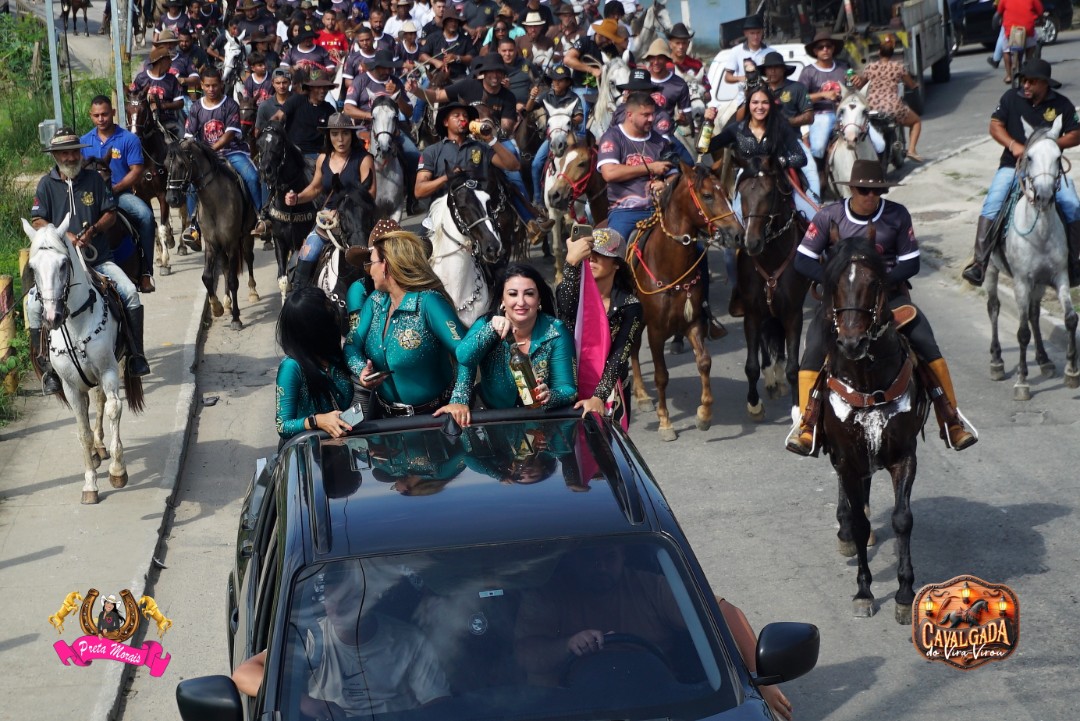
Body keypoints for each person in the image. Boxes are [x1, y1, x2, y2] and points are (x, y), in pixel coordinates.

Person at [787, 160, 977, 455]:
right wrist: (837, 282)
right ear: (852, 189)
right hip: (842, 302)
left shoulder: (897, 215)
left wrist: (876, 284)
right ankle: (807, 425)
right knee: (813, 348)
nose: (870, 196)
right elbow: (802, 259)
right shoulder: (828, 216)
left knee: (925, 342)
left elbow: (911, 262)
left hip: (888, 295)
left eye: (877, 191)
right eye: (864, 190)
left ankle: (951, 419)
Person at [513, 544, 794, 721]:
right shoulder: (547, 598)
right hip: (568, 709)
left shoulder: (650, 588)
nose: (601, 567)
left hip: (658, 705)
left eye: (609, 557)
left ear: (623, 555)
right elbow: (526, 656)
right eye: (590, 560)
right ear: (572, 561)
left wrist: (763, 682)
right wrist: (567, 645)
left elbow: (723, 612)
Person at [232, 561, 451, 716]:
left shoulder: (408, 641)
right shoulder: (311, 638)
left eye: (348, 601)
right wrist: (305, 703)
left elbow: (439, 704)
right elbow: (245, 673)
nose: (337, 610)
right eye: (331, 600)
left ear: (369, 601)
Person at [29, 129, 151, 394]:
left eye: (74, 151)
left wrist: (92, 231)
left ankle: (135, 356)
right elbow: (37, 219)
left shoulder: (95, 180)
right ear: (55, 156)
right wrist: (62, 235)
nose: (70, 157)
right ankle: (47, 368)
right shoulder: (46, 184)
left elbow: (110, 213)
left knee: (130, 293)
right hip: (60, 268)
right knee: (32, 305)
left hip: (98, 259)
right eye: (64, 153)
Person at [962, 59, 1080, 287]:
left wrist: (1050, 145)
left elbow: (1076, 133)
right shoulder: (1010, 99)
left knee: (1073, 204)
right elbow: (995, 126)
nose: (1025, 85)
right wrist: (1013, 144)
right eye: (1024, 80)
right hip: (1013, 166)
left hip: (1048, 170)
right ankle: (979, 263)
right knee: (993, 203)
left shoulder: (1062, 105)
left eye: (1032, 82)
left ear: (1045, 84)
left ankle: (1074, 263)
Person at [343, 230, 473, 425]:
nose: (368, 271)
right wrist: (362, 370)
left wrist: (459, 400)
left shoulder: (429, 302)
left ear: (386, 265)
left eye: (371, 263)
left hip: (434, 420)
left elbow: (466, 352)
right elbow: (351, 346)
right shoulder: (374, 301)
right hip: (383, 420)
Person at [456, 264, 577, 410]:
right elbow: (464, 357)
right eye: (513, 294)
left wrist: (551, 396)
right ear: (502, 299)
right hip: (491, 415)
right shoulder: (486, 324)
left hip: (540, 417)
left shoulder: (556, 330)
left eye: (529, 294)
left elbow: (569, 390)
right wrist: (491, 330)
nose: (521, 302)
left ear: (539, 299)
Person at [557, 228, 643, 422]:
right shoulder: (570, 291)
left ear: (617, 264)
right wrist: (571, 263)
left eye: (601, 254)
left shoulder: (629, 305)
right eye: (589, 252)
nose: (592, 258)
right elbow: (565, 309)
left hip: (609, 390)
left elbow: (620, 355)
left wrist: (598, 397)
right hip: (567, 386)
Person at [284, 112, 376, 288]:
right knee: (307, 255)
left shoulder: (364, 159)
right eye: (335, 134)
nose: (340, 139)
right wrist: (297, 198)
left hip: (358, 217)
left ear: (352, 135)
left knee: (386, 254)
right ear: (328, 136)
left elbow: (370, 194)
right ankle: (299, 294)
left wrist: (343, 210)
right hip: (328, 219)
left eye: (345, 133)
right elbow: (315, 187)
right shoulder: (322, 159)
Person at [81, 95, 158, 294]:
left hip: (119, 195)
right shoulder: (84, 142)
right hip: (90, 198)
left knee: (146, 216)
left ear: (113, 113)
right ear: (91, 116)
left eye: (105, 114)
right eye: (96, 115)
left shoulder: (128, 139)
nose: (101, 119)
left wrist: (115, 189)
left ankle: (146, 272)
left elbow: (136, 170)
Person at [183, 66, 266, 241]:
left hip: (232, 151)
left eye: (214, 85)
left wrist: (211, 150)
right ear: (201, 85)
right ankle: (193, 225)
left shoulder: (230, 105)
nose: (211, 89)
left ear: (221, 84)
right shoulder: (196, 108)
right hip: (205, 157)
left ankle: (261, 217)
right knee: (191, 183)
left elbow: (230, 133)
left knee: (252, 177)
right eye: (207, 86)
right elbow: (189, 135)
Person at [710, 85, 809, 221]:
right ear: (748, 105)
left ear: (771, 105)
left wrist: (780, 162)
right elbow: (703, 148)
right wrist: (708, 123)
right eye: (755, 102)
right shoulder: (736, 129)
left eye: (765, 102)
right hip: (746, 179)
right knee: (737, 219)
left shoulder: (781, 127)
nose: (760, 107)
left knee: (810, 215)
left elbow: (801, 157)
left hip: (777, 178)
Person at [275, 287, 355, 441]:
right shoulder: (291, 367)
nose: (334, 315)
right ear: (314, 326)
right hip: (312, 451)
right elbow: (282, 426)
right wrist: (317, 420)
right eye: (327, 313)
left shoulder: (334, 354)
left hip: (348, 443)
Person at [853, 34, 924, 162]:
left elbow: (861, 85)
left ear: (879, 52)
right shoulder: (898, 67)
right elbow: (911, 84)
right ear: (892, 52)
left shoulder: (870, 67)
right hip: (891, 106)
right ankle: (912, 150)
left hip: (872, 106)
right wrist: (915, 85)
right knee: (916, 122)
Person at [530, 64, 584, 204]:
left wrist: (567, 121)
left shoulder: (574, 97)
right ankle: (538, 200)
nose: (556, 83)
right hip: (551, 138)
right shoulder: (546, 96)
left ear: (567, 82)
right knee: (536, 164)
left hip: (569, 136)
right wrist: (532, 97)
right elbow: (529, 108)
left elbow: (579, 117)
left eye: (560, 80)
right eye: (554, 79)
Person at [129, 46, 186, 139]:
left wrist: (162, 106)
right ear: (162, 61)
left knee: (184, 142)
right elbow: (132, 99)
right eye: (169, 59)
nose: (171, 63)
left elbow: (180, 103)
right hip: (144, 123)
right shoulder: (141, 78)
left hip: (169, 122)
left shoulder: (172, 80)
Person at [721, 15, 772, 108]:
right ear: (746, 33)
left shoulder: (771, 52)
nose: (756, 36)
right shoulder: (736, 51)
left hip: (766, 100)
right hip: (744, 100)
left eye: (758, 33)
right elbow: (727, 77)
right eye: (752, 33)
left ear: (762, 32)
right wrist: (743, 78)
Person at [418, 5, 475, 82]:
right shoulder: (433, 37)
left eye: (456, 21)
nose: (454, 23)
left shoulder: (465, 39)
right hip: (437, 77)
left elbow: (472, 58)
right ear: (444, 22)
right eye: (450, 21)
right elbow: (422, 56)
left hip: (458, 78)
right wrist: (435, 62)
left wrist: (457, 57)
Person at [996, 0, 1042, 85]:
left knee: (1005, 50)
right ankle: (1028, 63)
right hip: (1027, 30)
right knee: (1032, 45)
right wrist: (1041, 20)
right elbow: (1040, 11)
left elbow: (999, 11)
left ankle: (1009, 75)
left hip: (1011, 31)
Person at [255, 67, 295, 135]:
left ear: (290, 82)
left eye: (284, 82)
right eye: (278, 83)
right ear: (273, 83)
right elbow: (257, 132)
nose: (281, 86)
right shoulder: (265, 106)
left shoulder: (298, 102)